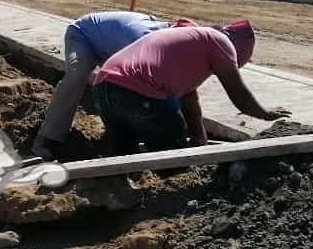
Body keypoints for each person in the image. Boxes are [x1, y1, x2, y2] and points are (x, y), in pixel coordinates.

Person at [91, 19, 289, 155]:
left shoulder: (193, 45)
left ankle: (118, 194)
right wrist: (265, 114)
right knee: (173, 141)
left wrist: (199, 140)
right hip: (133, 91)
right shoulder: (221, 42)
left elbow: (189, 102)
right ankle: (172, 195)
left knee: (124, 154)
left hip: (103, 87)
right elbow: (238, 94)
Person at [31, 11, 170, 160]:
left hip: (111, 46)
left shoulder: (166, 45)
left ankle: (122, 137)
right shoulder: (143, 41)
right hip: (83, 36)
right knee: (77, 77)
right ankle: (48, 138)